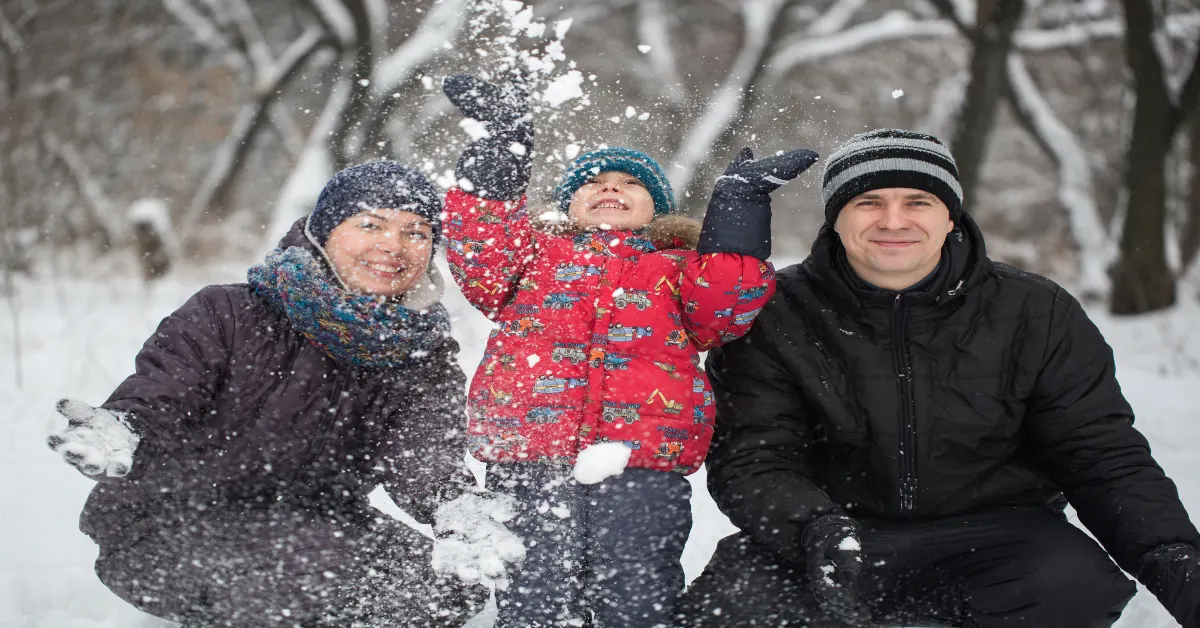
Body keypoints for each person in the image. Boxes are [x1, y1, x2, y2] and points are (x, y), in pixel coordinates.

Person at [680, 129, 1200, 628]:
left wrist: (1171, 555)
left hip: (999, 537)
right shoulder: (775, 312)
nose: (892, 220)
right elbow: (753, 455)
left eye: (917, 202)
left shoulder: (1034, 311)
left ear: (951, 217)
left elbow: (1100, 453)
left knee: (1078, 585)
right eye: (867, 202)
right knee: (728, 607)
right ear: (835, 219)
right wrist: (812, 527)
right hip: (830, 536)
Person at [46, 161, 504, 628]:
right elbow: (160, 392)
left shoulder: (422, 354)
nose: (393, 245)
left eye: (417, 232)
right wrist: (126, 426)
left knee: (449, 586)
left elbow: (422, 458)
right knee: (302, 585)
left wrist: (457, 509)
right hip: (167, 523)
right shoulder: (228, 312)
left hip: (314, 524)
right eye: (371, 224)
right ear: (324, 232)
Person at [438, 74, 818, 627]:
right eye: (594, 181)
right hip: (530, 458)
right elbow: (481, 245)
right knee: (534, 592)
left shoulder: (681, 269)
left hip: (644, 461)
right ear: (568, 204)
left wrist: (737, 206)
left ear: (657, 210)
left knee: (636, 590)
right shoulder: (533, 259)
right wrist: (504, 141)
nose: (610, 188)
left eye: (629, 184)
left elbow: (726, 309)